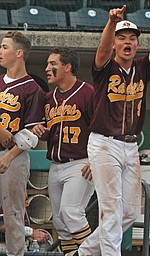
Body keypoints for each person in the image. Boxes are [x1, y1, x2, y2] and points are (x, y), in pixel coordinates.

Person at [70, 3, 150, 256]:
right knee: (111, 210)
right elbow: (101, 49)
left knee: (129, 213)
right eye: (122, 38)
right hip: (104, 142)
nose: (127, 42)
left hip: (130, 146)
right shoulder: (105, 68)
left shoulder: (142, 68)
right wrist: (111, 23)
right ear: (115, 44)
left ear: (137, 45)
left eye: (132, 38)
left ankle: (84, 253)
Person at [32, 47, 95, 254]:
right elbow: (49, 132)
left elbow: (101, 129)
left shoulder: (88, 93)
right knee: (60, 222)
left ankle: (94, 252)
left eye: (53, 64)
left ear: (67, 67)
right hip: (56, 165)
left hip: (81, 163)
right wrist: (41, 132)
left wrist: (95, 160)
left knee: (71, 212)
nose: (47, 69)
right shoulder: (49, 98)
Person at [0, 31, 45, 256]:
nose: (1, 51)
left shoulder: (33, 88)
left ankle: (15, 254)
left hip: (13, 156)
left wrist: (9, 156)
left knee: (13, 212)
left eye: (5, 47)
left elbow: (31, 135)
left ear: (19, 53)